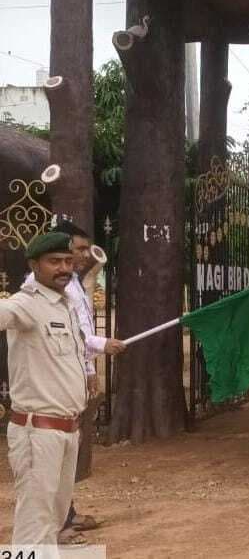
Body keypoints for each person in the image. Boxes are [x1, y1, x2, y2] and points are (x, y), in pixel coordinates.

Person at [22, 220, 125, 545]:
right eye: (71, 252)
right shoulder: (33, 297)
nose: (77, 258)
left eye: (76, 255)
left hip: (70, 388)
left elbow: (76, 331)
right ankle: (58, 529)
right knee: (44, 481)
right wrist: (102, 345)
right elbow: (74, 336)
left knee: (68, 462)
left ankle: (65, 515)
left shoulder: (71, 287)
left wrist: (90, 370)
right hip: (43, 406)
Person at [1, 233, 92, 547]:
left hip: (67, 430)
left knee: (53, 520)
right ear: (33, 265)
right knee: (35, 523)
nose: (63, 267)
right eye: (54, 262)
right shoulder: (26, 304)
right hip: (37, 432)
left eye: (67, 261)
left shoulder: (64, 303)